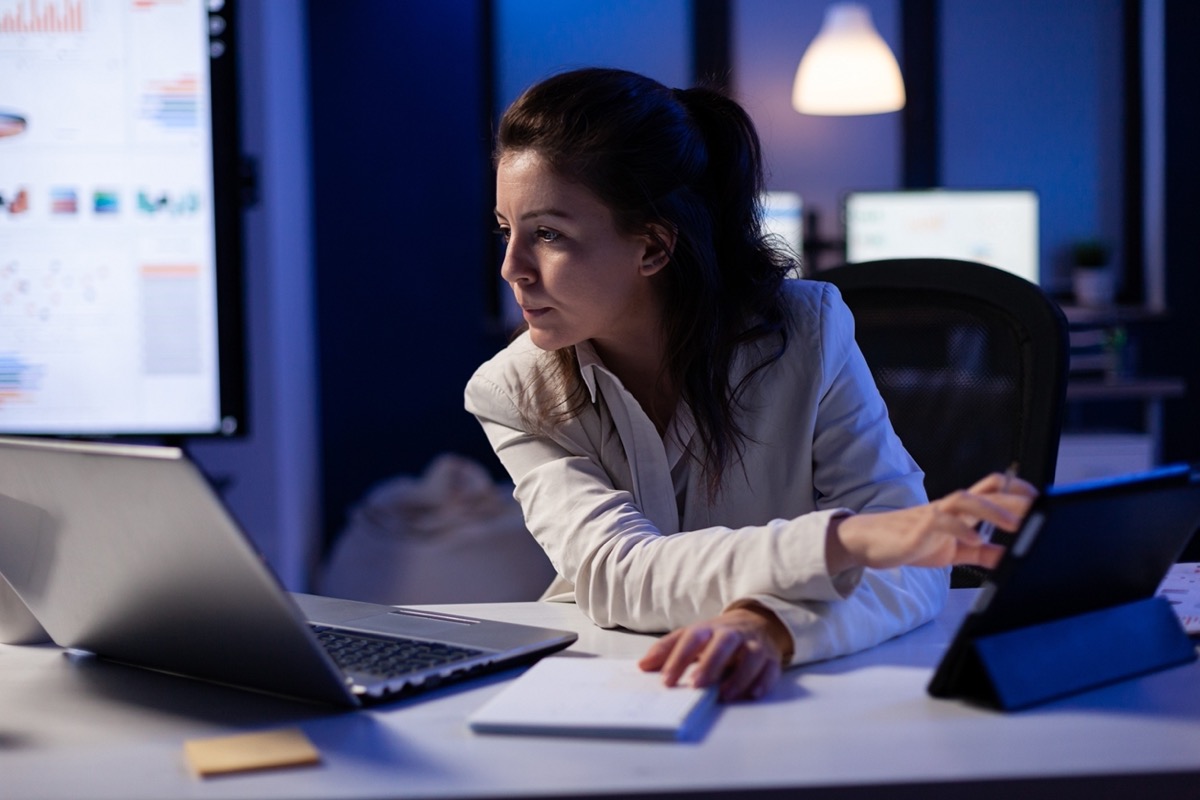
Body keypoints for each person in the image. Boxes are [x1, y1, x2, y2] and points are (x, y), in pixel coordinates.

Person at [464, 67, 1035, 702]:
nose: (512, 267)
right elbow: (618, 572)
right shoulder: (513, 391)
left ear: (653, 248)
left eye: (548, 234)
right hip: (614, 681)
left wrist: (769, 625)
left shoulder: (809, 332)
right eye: (505, 228)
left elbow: (915, 570)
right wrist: (848, 541)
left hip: (800, 690)